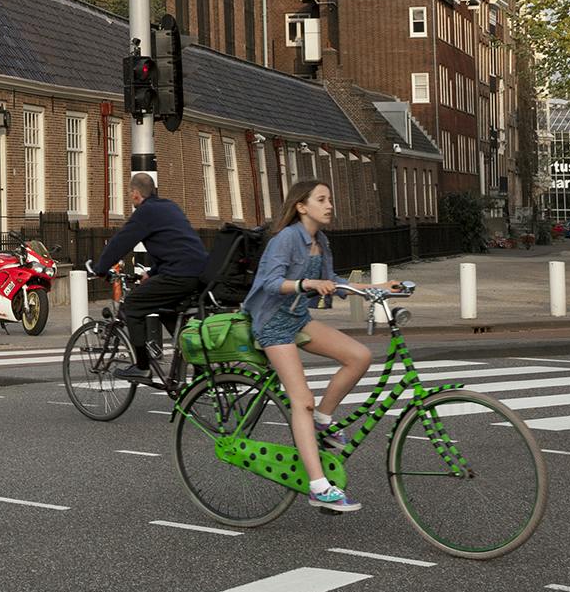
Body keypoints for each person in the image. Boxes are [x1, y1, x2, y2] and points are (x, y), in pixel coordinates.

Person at [242, 179, 395, 514]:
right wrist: (306, 283)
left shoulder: (319, 241)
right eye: (322, 199)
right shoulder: (286, 239)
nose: (329, 205)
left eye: (330, 199)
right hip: (272, 324)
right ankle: (318, 487)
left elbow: (335, 282)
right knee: (302, 401)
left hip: (296, 320)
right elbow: (268, 283)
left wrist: (377, 286)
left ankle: (323, 422)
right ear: (301, 206)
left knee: (359, 356)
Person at [85, 173, 211, 383]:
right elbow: (176, 245)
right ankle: (200, 368)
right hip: (197, 273)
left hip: (178, 275)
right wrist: (151, 273)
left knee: (133, 305)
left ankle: (142, 367)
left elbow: (120, 242)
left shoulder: (145, 213)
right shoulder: (170, 206)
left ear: (135, 194)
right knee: (166, 311)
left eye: (130, 194)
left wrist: (100, 268)